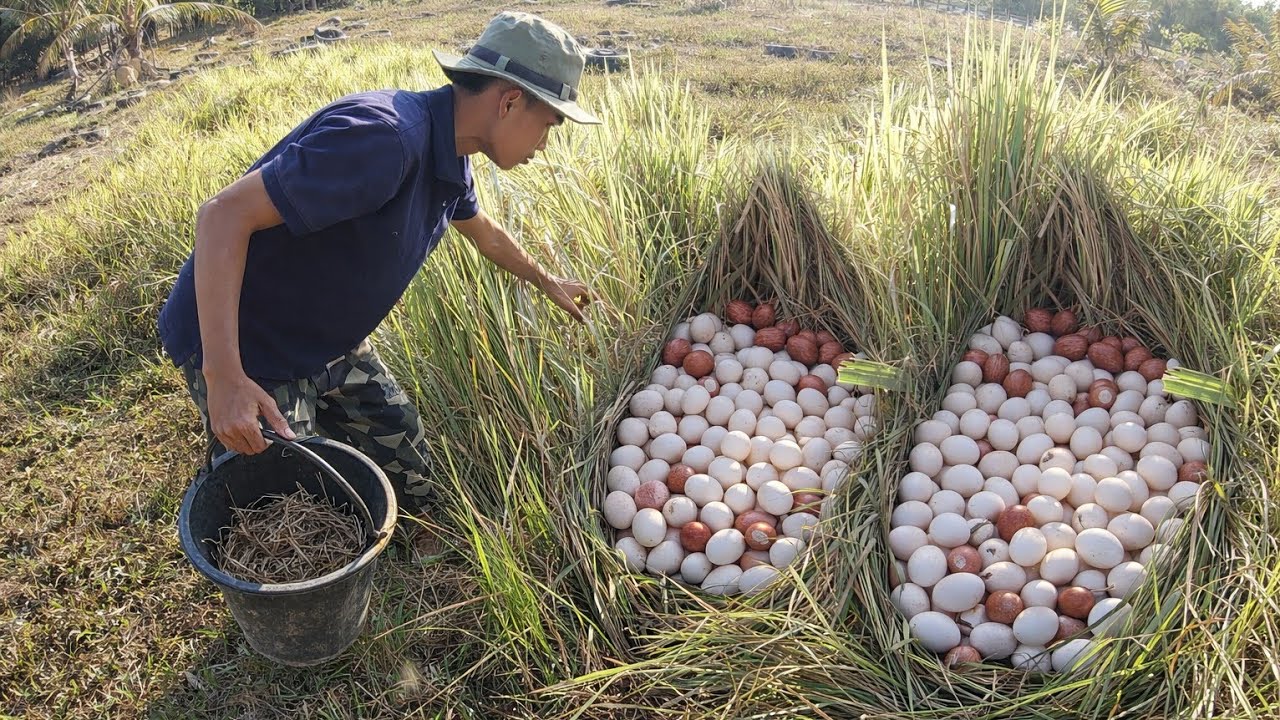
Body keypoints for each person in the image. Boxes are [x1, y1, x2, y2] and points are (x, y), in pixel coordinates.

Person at [157, 11, 599, 511]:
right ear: (511, 102)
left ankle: (410, 536)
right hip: (252, 344)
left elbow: (486, 236)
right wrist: (225, 379)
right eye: (548, 125)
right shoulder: (382, 139)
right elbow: (221, 217)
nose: (543, 146)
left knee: (400, 442)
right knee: (280, 504)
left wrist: (546, 281)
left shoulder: (450, 154)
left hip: (327, 339)